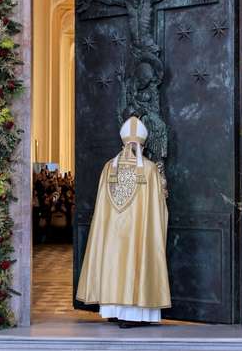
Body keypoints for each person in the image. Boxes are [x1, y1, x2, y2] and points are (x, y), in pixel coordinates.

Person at [76, 116, 170, 328]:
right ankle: (135, 314)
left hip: (112, 235)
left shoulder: (109, 167)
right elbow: (158, 208)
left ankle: (114, 310)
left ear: (123, 142)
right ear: (142, 145)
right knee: (138, 262)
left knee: (113, 264)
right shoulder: (149, 169)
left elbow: (101, 209)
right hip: (139, 233)